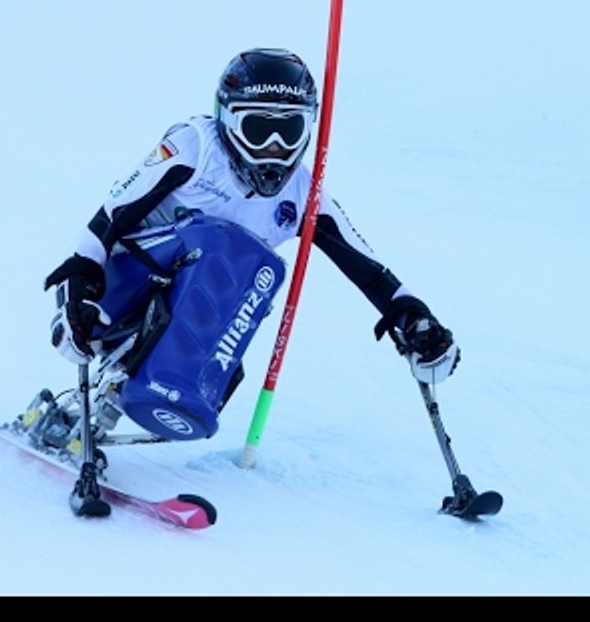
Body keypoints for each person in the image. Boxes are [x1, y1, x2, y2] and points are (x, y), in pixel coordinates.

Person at [32, 47, 459, 460]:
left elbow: (370, 270)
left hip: (196, 313)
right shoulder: (195, 147)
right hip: (122, 288)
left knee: (261, 268)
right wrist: (78, 292)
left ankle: (169, 391)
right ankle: (119, 393)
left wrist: (415, 320)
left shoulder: (302, 195)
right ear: (227, 121)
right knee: (222, 242)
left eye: (288, 132)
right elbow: (111, 217)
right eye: (258, 130)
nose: (274, 147)